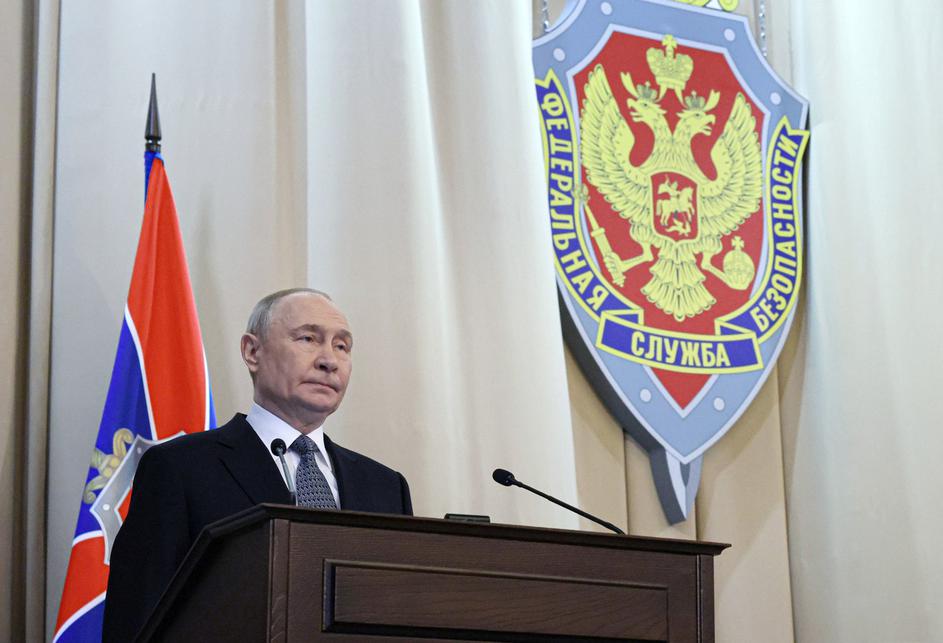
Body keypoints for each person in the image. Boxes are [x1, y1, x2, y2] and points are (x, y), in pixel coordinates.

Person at [102, 288, 412, 642]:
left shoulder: (386, 487)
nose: (330, 360)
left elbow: (401, 613)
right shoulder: (180, 469)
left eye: (342, 346)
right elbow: (137, 620)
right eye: (308, 338)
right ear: (253, 352)